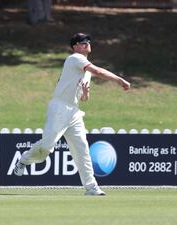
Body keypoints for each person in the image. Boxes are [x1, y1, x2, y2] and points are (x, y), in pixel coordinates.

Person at [14, 33, 131, 196]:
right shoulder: (74, 58)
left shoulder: (86, 70)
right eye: (82, 42)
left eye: (88, 41)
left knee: (82, 149)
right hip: (59, 108)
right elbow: (97, 70)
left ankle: (91, 188)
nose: (87, 44)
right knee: (46, 148)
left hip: (74, 112)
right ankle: (24, 160)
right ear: (75, 46)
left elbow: (84, 98)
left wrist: (84, 93)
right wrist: (119, 80)